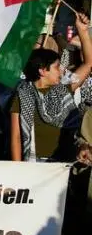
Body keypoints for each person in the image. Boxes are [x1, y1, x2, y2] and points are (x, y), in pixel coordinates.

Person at [11, 14, 92, 162]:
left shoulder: (63, 89)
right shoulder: (22, 95)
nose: (61, 71)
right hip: (34, 164)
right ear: (42, 71)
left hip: (63, 164)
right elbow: (16, 137)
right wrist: (18, 169)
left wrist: (83, 31)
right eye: (56, 67)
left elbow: (88, 63)